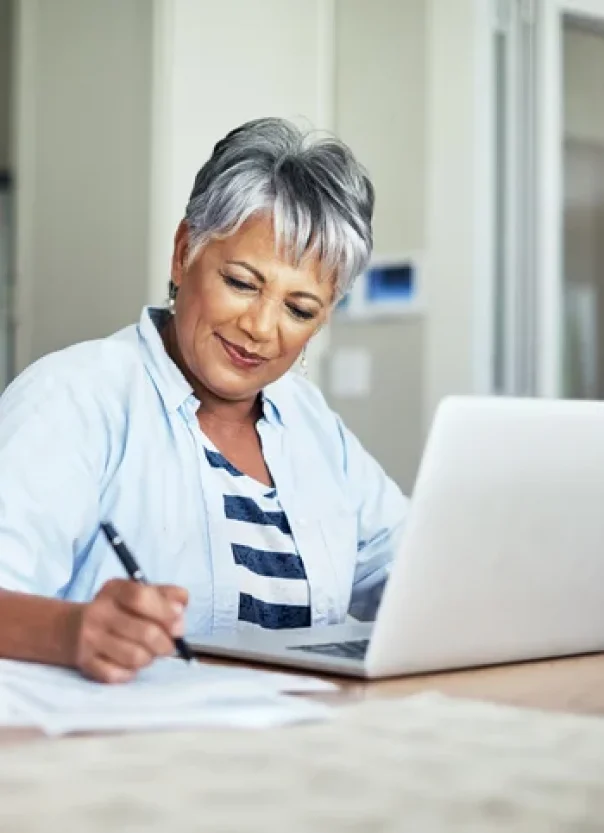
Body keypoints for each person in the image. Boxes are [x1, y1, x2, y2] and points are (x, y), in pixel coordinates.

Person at [0, 118, 408, 683]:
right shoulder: (75, 397)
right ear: (184, 252)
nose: (262, 327)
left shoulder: (310, 422)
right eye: (242, 283)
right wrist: (72, 632)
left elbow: (409, 572)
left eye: (300, 309)